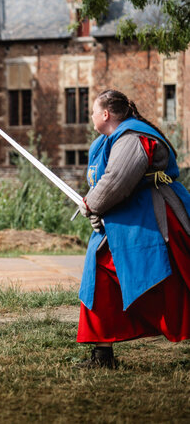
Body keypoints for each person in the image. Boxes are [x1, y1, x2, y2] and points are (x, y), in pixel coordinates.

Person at [76, 89, 190, 368]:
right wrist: (96, 208)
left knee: (177, 280)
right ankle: (103, 354)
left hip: (154, 217)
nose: (90, 116)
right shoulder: (109, 140)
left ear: (106, 114)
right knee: (100, 276)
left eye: (93, 111)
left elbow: (117, 181)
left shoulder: (132, 137)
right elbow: (106, 183)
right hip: (124, 219)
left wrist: (91, 205)